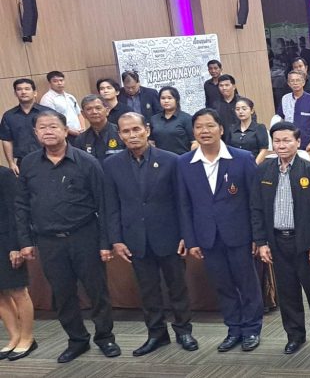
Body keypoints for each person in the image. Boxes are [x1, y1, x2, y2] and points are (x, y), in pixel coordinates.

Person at [14, 110, 120, 363]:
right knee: (62, 294)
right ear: (35, 133)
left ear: (65, 130)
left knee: (97, 291)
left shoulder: (86, 161)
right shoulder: (28, 163)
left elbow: (104, 204)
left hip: (85, 236)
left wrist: (105, 243)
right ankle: (77, 340)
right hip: (49, 241)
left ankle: (105, 337)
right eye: (42, 127)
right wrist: (25, 241)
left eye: (53, 126)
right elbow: (21, 204)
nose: (48, 131)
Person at [104, 112, 196, 356]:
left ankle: (184, 330)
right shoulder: (111, 165)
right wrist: (116, 239)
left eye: (136, 129)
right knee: (148, 291)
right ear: (120, 135)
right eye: (126, 131)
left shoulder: (171, 160)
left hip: (170, 236)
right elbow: (111, 205)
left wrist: (186, 235)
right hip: (135, 238)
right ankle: (156, 334)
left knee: (177, 287)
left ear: (147, 130)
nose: (132, 135)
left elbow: (183, 202)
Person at [177, 109, 263, 353]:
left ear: (221, 129)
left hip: (240, 234)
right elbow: (184, 205)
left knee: (247, 283)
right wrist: (191, 240)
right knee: (222, 285)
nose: (204, 131)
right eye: (199, 127)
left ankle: (251, 329)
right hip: (207, 236)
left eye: (210, 126)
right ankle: (233, 329)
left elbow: (255, 201)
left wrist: (258, 236)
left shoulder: (242, 158)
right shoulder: (184, 163)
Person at [250, 121, 310, 355]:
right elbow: (256, 209)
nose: (281, 145)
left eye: (287, 140)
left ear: (298, 142)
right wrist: (261, 242)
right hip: (277, 242)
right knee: (287, 293)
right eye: (277, 141)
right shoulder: (263, 170)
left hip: (305, 244)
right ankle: (295, 335)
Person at [0, 165, 35, 362]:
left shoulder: (4, 175)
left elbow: (16, 212)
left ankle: (27, 337)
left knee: (17, 291)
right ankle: (14, 336)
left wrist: (17, 245)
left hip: (7, 243)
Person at [1, 79, 54, 174]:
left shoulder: (48, 113)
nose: (23, 92)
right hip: (23, 162)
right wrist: (11, 163)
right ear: (15, 93)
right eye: (19, 89)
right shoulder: (8, 116)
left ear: (35, 93)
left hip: (49, 158)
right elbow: (7, 140)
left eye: (27, 89)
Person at [278, 69, 310, 151]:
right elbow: (280, 119)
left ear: (303, 82)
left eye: (298, 80)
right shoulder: (285, 98)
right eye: (292, 81)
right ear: (288, 83)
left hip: (307, 144)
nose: (295, 83)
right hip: (288, 143)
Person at [72, 95, 124, 161]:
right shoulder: (80, 140)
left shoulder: (120, 133)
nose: (94, 112)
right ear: (83, 114)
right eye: (89, 109)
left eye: (98, 108)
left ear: (107, 111)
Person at [149, 87, 195, 155]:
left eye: (169, 98)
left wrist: (189, 158)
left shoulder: (186, 118)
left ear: (177, 100)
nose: (166, 101)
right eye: (163, 98)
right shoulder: (154, 119)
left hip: (181, 157)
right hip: (160, 158)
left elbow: (194, 142)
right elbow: (151, 142)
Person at [39, 70, 85, 136]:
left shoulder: (70, 96)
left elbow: (79, 114)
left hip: (80, 133)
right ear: (49, 83)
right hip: (64, 134)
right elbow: (52, 120)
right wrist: (70, 131)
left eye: (61, 80)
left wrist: (83, 128)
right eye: (55, 81)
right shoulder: (47, 99)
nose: (59, 83)